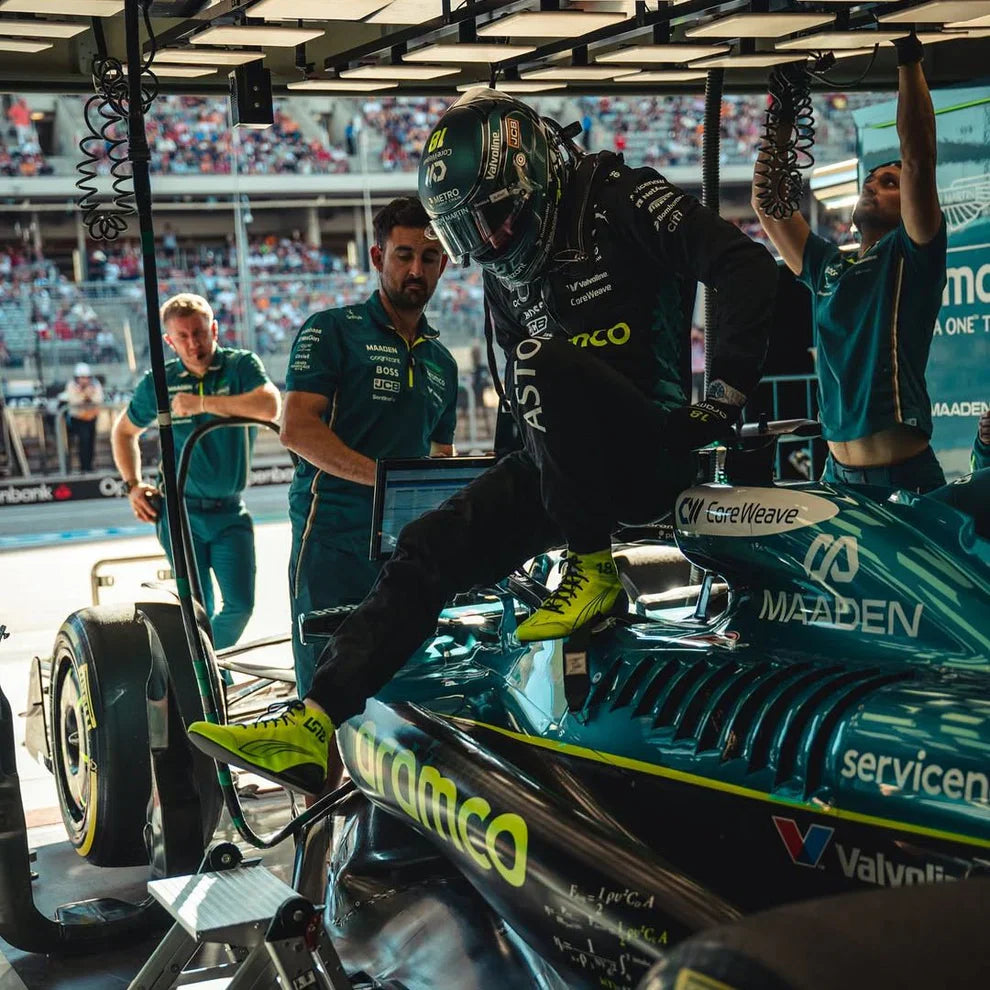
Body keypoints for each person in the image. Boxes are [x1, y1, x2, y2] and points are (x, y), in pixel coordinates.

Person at [187, 88, 776, 795]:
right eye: (471, 232)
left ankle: (595, 576)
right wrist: (492, 522)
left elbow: (746, 269)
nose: (491, 242)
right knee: (430, 545)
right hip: (562, 467)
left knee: (540, 361)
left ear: (534, 174)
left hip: (652, 447)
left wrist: (724, 399)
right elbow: (522, 418)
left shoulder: (619, 195)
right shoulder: (502, 268)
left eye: (494, 218)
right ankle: (313, 721)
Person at [280, 196, 458, 699]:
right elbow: (296, 429)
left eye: (428, 259)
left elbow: (439, 458)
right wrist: (386, 480)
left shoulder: (444, 360)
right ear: (379, 258)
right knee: (323, 693)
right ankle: (317, 778)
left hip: (406, 551)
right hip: (331, 542)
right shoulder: (331, 329)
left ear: (443, 264)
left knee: (404, 692)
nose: (416, 270)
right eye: (403, 256)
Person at [753, 33, 946, 493]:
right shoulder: (828, 267)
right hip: (837, 480)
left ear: (912, 205)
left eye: (889, 182)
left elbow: (918, 158)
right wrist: (783, 110)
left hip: (905, 482)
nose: (872, 185)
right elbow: (770, 206)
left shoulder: (911, 255)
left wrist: (907, 55)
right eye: (873, 179)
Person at [111, 293, 280, 650]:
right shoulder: (160, 380)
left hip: (230, 509)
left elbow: (269, 405)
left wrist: (201, 404)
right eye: (183, 337)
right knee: (196, 609)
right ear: (169, 341)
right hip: (179, 511)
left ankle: (207, 667)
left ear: (214, 329)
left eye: (200, 333)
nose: (194, 343)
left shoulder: (240, 366)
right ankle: (212, 680)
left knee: (239, 606)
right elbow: (124, 431)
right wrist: (133, 485)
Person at [63, 362, 103, 472]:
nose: (84, 381)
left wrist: (86, 396)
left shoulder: (96, 384)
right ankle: (84, 467)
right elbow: (74, 400)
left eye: (86, 378)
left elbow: (98, 399)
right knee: (83, 441)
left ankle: (89, 466)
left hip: (91, 418)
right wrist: (86, 395)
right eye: (81, 378)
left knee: (91, 442)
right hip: (78, 419)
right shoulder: (71, 385)